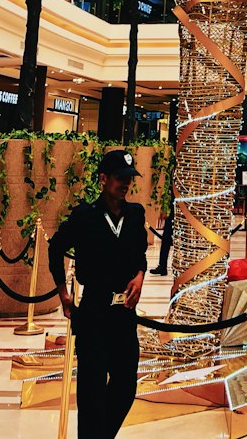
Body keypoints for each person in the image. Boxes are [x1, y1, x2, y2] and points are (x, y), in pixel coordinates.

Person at [48, 149, 148, 438]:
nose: (125, 184)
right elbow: (55, 249)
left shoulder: (135, 214)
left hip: (124, 314)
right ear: (103, 179)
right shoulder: (85, 216)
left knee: (125, 385)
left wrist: (140, 276)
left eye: (129, 178)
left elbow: (140, 254)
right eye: (119, 178)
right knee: (91, 392)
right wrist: (63, 294)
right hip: (94, 313)